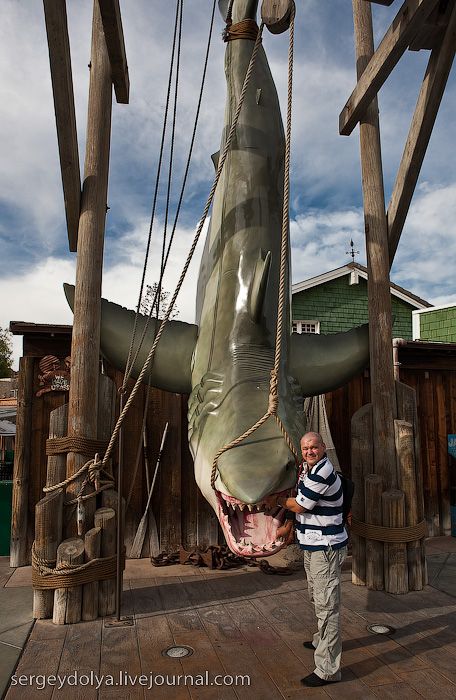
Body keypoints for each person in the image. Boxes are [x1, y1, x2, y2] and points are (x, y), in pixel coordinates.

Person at [266, 431, 347, 687]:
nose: (310, 451)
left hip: (326, 548)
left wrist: (274, 499)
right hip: (312, 545)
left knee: (327, 606)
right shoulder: (306, 469)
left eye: (314, 447)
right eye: (305, 448)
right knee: (316, 594)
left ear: (323, 447)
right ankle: (320, 639)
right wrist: (289, 526)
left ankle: (328, 669)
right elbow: (298, 501)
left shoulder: (323, 471)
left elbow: (301, 505)